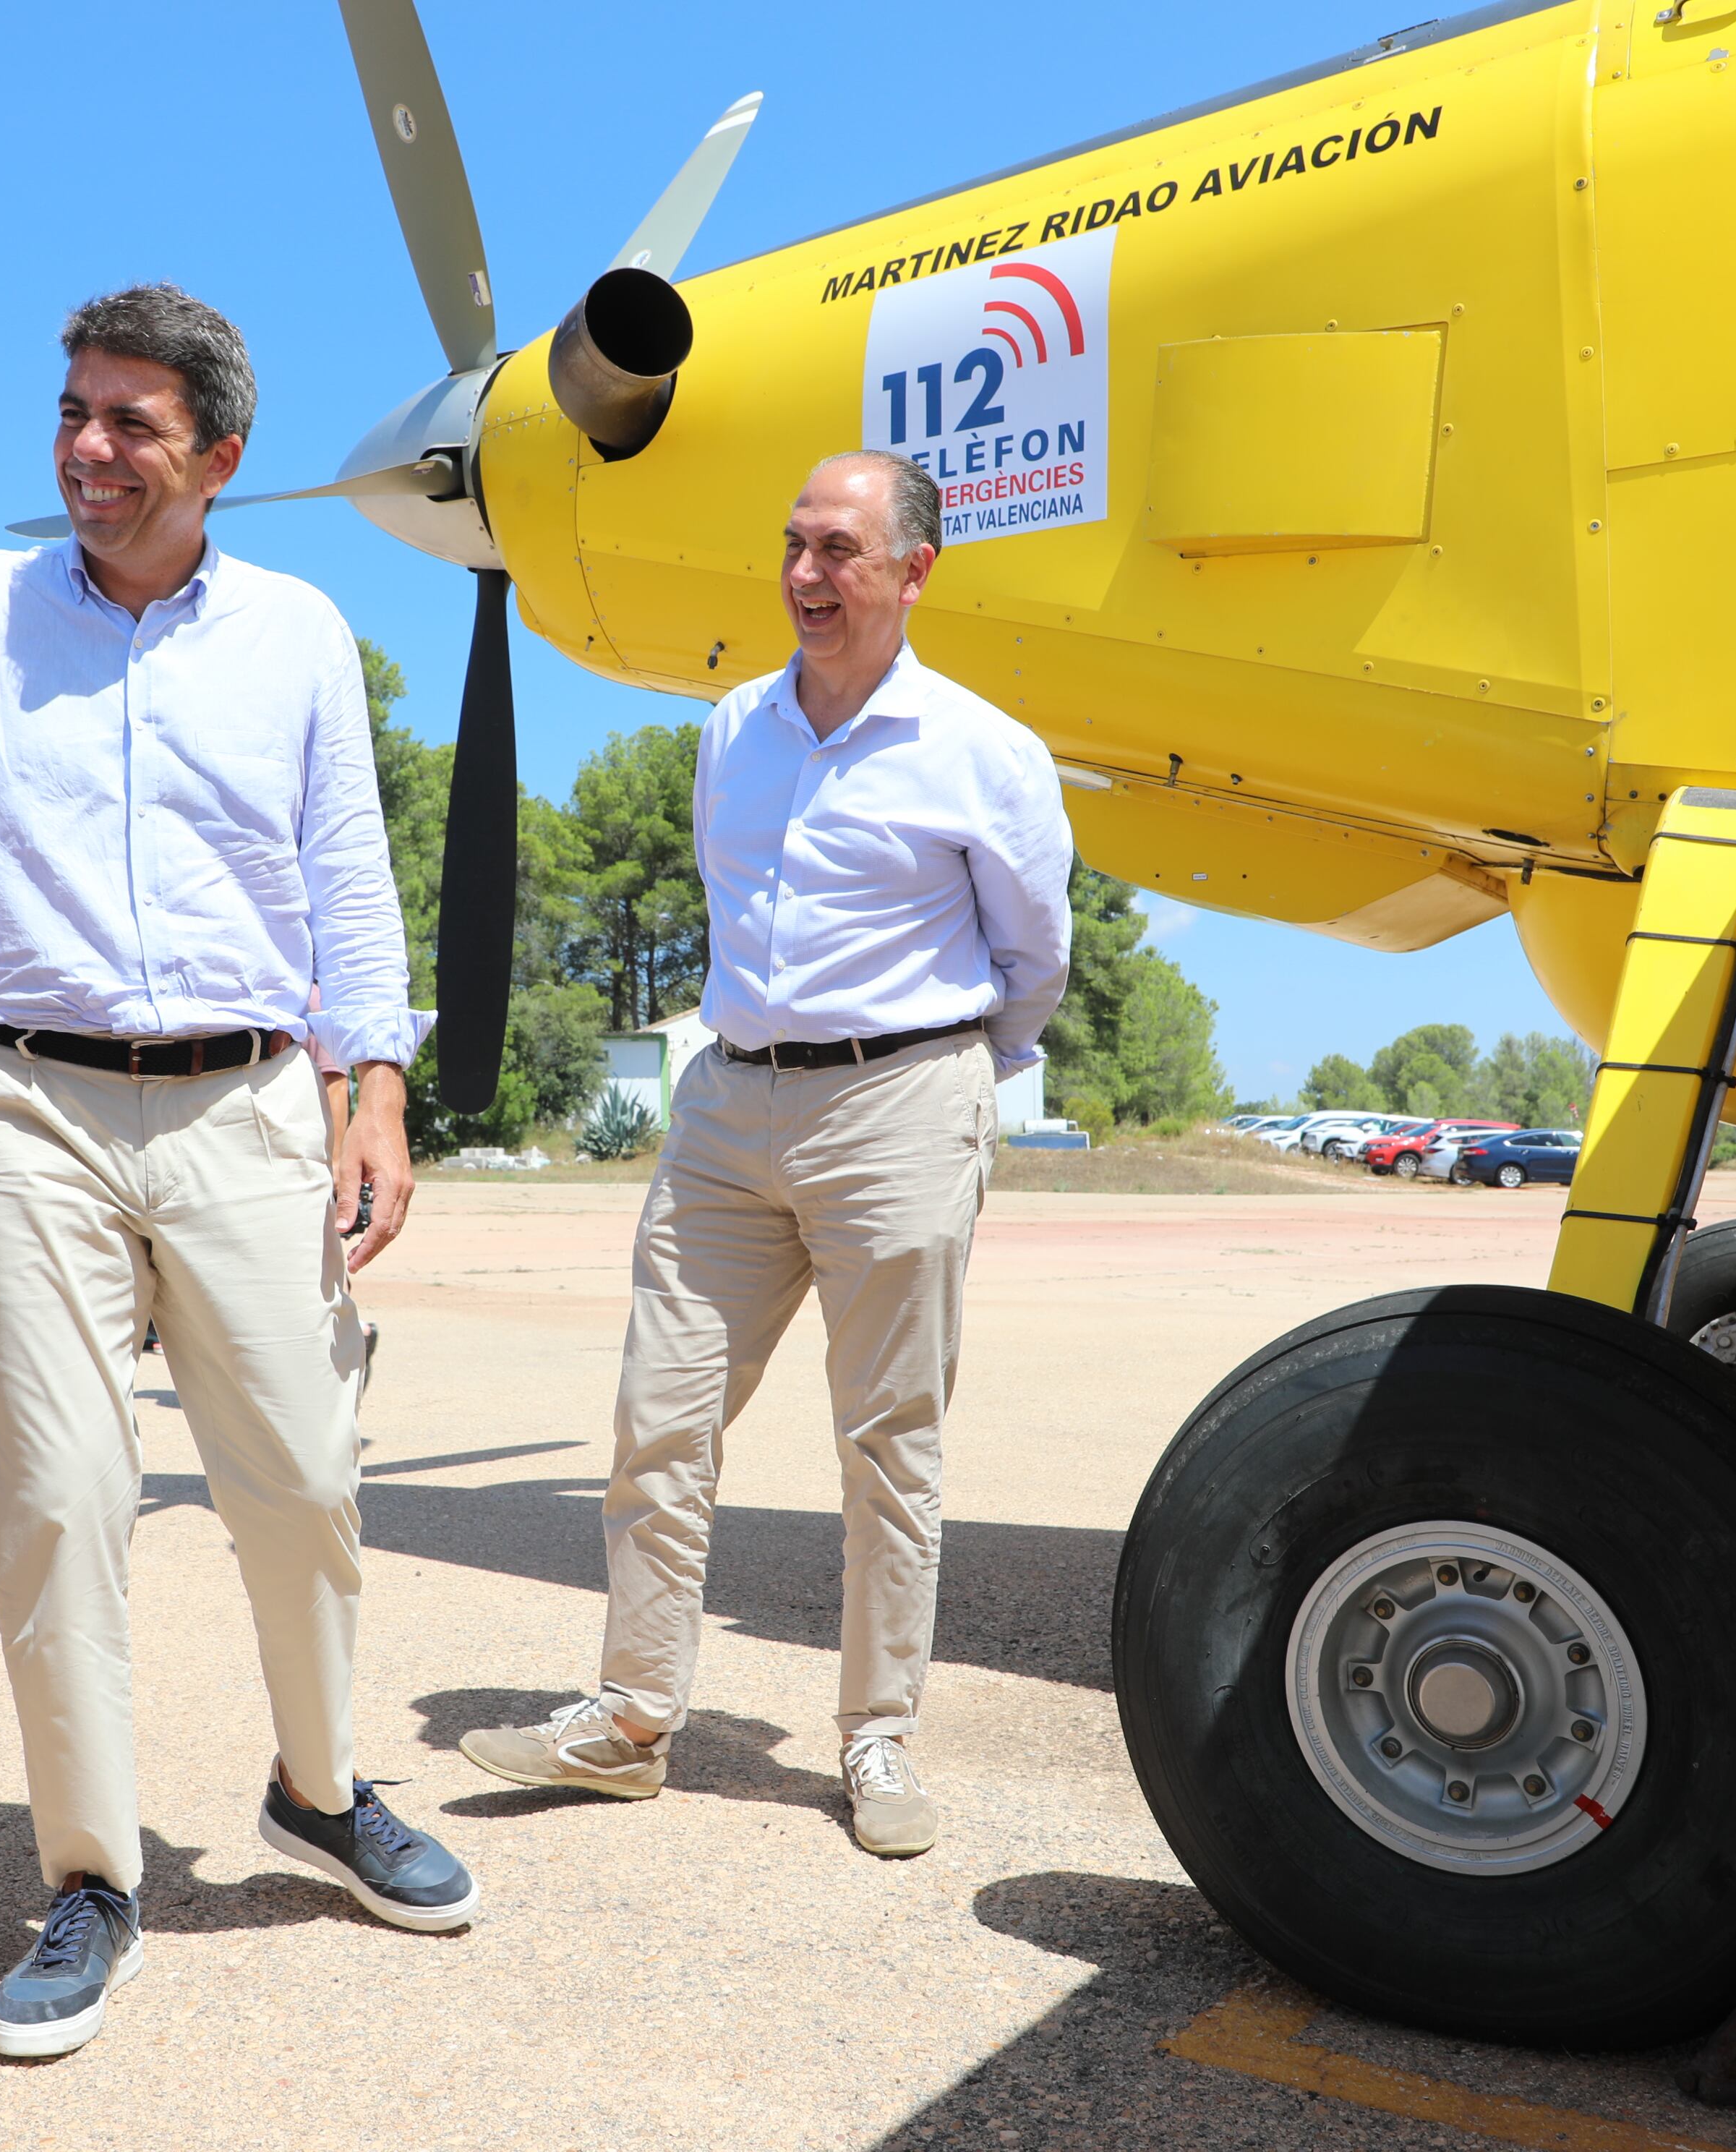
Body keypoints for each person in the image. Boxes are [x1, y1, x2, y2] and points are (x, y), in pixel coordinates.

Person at [0, 280, 474, 2064]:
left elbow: (348, 870)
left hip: (248, 1103)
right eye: (72, 412)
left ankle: (320, 1790)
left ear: (217, 456)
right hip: (21, 1107)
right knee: (59, 1500)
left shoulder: (297, 634)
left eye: (129, 422)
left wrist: (374, 1086)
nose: (86, 448)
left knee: (301, 1479)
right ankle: (89, 1877)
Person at [459, 451, 1072, 1858]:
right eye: (795, 545)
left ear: (913, 571)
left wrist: (947, 1082)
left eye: (838, 550)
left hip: (899, 1104)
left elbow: (1032, 955)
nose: (805, 574)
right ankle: (630, 1720)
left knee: (887, 1444)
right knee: (658, 1419)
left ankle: (877, 1737)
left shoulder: (982, 751)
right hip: (728, 1112)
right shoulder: (735, 728)